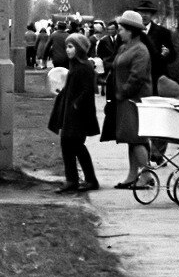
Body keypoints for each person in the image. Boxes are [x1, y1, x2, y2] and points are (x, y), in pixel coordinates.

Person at [104, 10, 154, 189]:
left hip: (135, 100)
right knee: (129, 138)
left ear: (131, 30)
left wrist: (122, 92)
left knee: (136, 138)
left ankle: (147, 174)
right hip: (125, 100)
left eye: (121, 29)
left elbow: (137, 77)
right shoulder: (125, 48)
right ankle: (133, 175)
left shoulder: (140, 50)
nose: (119, 32)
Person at [48, 32, 102, 193]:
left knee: (75, 145)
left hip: (77, 115)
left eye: (71, 47)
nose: (67, 50)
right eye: (67, 47)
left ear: (79, 49)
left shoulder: (84, 67)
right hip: (71, 113)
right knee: (69, 145)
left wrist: (76, 104)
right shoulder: (75, 65)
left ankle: (86, 180)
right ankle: (73, 179)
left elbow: (86, 91)